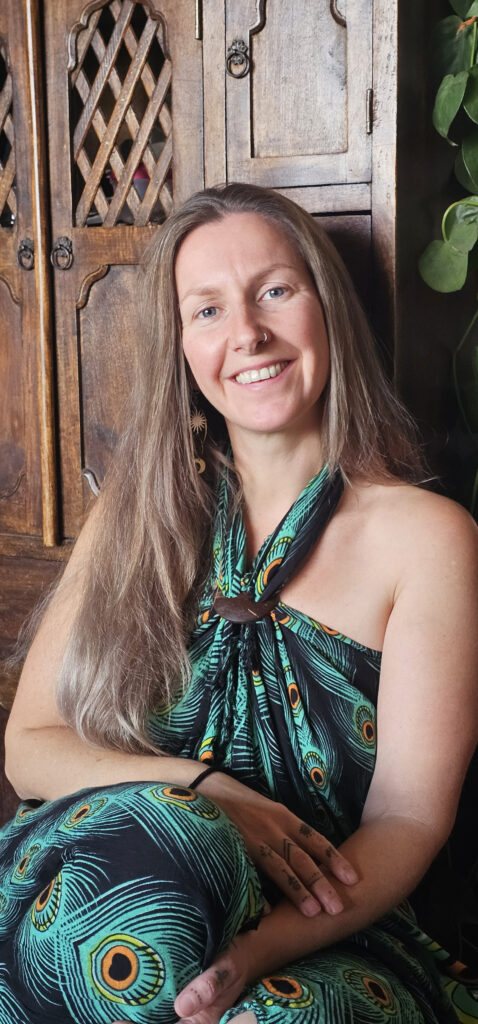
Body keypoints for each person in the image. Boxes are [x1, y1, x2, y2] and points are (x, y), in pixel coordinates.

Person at [1, 182, 477, 1024]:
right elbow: (29, 747)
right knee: (172, 848)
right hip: (113, 896)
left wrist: (250, 958)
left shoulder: (428, 539)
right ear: (181, 346)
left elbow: (408, 819)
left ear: (327, 308)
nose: (247, 333)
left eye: (275, 291)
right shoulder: (134, 516)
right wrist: (206, 792)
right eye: (208, 310)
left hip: (321, 931)